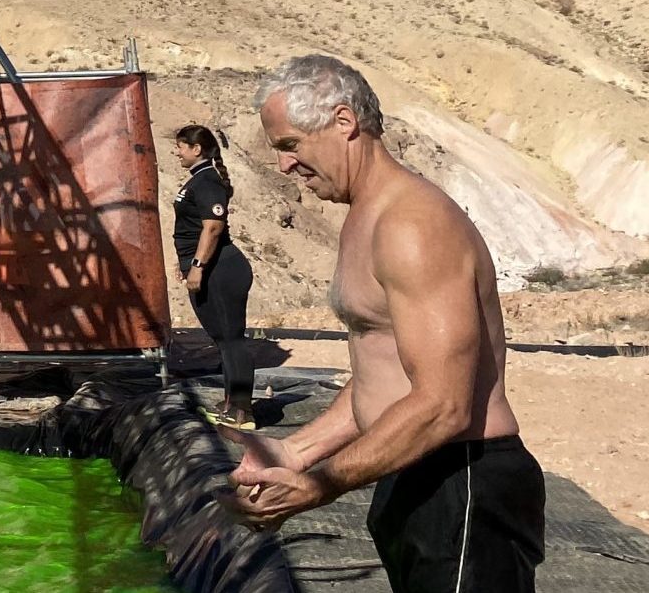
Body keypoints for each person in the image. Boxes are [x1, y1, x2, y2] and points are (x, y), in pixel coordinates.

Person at [229, 54, 543, 593]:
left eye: (289, 145)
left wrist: (319, 485)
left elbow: (443, 404)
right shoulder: (367, 217)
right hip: (415, 471)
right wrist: (294, 452)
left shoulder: (411, 224)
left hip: (461, 481)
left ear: (344, 122)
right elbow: (388, 372)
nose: (284, 166)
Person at [171, 123, 257, 427]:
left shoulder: (207, 181)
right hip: (209, 268)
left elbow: (213, 227)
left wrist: (197, 266)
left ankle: (242, 411)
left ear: (197, 150)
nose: (177, 152)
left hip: (220, 269)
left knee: (232, 339)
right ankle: (232, 401)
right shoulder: (198, 179)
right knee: (222, 338)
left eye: (182, 146)